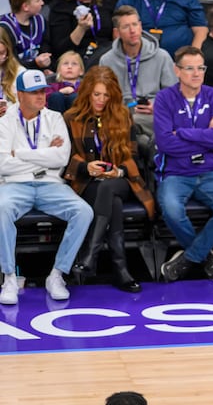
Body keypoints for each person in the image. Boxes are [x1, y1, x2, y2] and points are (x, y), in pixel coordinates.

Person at [0, 69, 93, 304]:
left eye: (42, 91)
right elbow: (2, 164)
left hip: (51, 183)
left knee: (83, 211)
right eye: (34, 93)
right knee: (1, 209)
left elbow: (61, 159)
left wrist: (19, 153)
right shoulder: (5, 121)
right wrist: (44, 154)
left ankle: (57, 274)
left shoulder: (55, 118)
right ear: (20, 95)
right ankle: (9, 276)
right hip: (14, 184)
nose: (40, 97)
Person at [63, 66, 155, 293]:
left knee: (109, 187)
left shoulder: (122, 115)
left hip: (122, 180)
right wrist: (87, 167)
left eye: (106, 95)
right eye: (97, 94)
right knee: (110, 199)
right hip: (87, 182)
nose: (101, 100)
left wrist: (118, 171)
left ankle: (89, 255)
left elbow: (133, 156)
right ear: (87, 93)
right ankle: (120, 269)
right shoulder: (71, 117)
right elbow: (65, 159)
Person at [155, 46, 213, 282]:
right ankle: (207, 257)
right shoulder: (164, 98)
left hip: (210, 170)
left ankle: (188, 259)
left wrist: (182, 132)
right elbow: (165, 143)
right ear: (177, 71)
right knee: (171, 209)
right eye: (189, 68)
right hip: (176, 172)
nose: (196, 73)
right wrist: (204, 134)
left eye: (200, 68)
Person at [99, 5, 178, 138]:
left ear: (141, 26)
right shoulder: (107, 61)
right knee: (128, 129)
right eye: (126, 27)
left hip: (153, 114)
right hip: (121, 115)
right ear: (117, 32)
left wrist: (157, 106)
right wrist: (122, 110)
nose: (132, 30)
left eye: (135, 24)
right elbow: (104, 97)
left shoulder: (161, 56)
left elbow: (173, 95)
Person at [115, 0, 208, 57]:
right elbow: (118, 32)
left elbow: (200, 28)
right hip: (141, 60)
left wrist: (194, 55)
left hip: (181, 61)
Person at [48, 0, 115, 68]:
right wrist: (81, 29)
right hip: (78, 60)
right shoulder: (60, 8)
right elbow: (60, 50)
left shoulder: (105, 2)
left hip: (107, 56)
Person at [0, 0, 51, 71]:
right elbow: (11, 63)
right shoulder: (5, 28)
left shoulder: (40, 21)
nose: (42, 3)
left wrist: (46, 66)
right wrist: (35, 63)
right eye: (38, 0)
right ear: (25, 7)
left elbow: (46, 46)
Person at [0, 27, 18, 118]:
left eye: (1, 53)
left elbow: (25, 103)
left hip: (11, 120)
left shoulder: (18, 71)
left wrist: (8, 109)